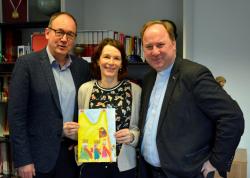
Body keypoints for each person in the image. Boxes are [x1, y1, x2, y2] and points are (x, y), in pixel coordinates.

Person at [138, 20, 244, 178]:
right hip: (149, 171)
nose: (155, 52)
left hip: (185, 173)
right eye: (149, 46)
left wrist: (216, 161)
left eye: (160, 45)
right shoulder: (148, 79)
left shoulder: (194, 75)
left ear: (173, 44)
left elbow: (232, 117)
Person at [8, 12, 90, 178]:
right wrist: (23, 160)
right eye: (59, 32)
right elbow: (16, 117)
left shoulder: (82, 68)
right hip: (37, 160)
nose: (64, 39)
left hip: (71, 157)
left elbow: (86, 109)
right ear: (47, 33)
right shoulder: (26, 65)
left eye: (70, 34)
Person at [75, 38, 141, 178]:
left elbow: (140, 129)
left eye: (116, 58)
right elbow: (82, 127)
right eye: (106, 57)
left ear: (122, 63)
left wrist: (132, 136)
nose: (111, 62)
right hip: (92, 164)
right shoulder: (85, 90)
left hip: (124, 166)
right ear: (98, 61)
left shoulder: (135, 90)